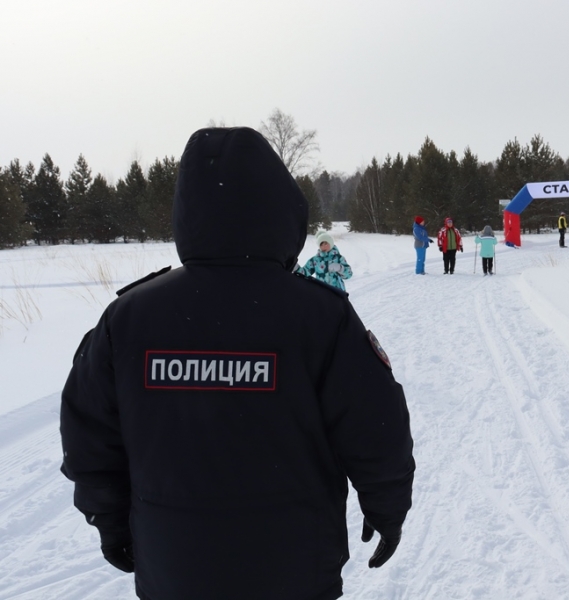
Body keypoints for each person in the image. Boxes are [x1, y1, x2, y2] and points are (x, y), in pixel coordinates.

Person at [59, 127, 415, 600]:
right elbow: (375, 426)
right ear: (282, 209)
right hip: (294, 565)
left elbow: (88, 436)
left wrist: (109, 519)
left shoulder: (129, 318)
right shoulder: (319, 315)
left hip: (174, 566)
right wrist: (386, 506)